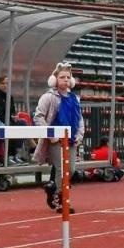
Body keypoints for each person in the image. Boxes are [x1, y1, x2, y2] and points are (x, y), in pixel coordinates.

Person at [34, 63, 83, 213]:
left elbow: (80, 119)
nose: (66, 80)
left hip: (72, 139)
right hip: (56, 140)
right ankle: (61, 200)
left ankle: (53, 189)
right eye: (62, 77)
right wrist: (51, 135)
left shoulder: (75, 98)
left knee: (71, 169)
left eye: (68, 77)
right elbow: (38, 117)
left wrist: (80, 135)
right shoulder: (48, 97)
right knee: (62, 170)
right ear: (54, 79)